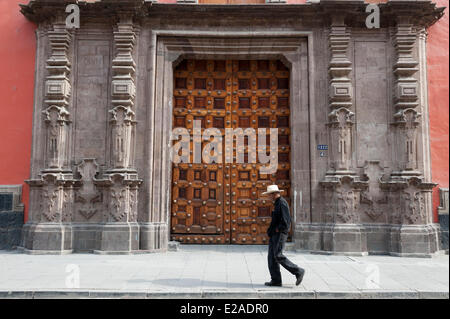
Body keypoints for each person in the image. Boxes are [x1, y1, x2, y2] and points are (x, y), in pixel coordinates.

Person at [262, 184, 305, 287]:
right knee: (272, 258)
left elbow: (286, 221)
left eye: (269, 195)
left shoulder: (282, 203)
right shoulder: (277, 203)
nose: (268, 197)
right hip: (274, 234)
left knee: (278, 255)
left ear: (274, 194)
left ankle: (298, 271)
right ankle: (276, 280)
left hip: (280, 234)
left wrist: (277, 230)